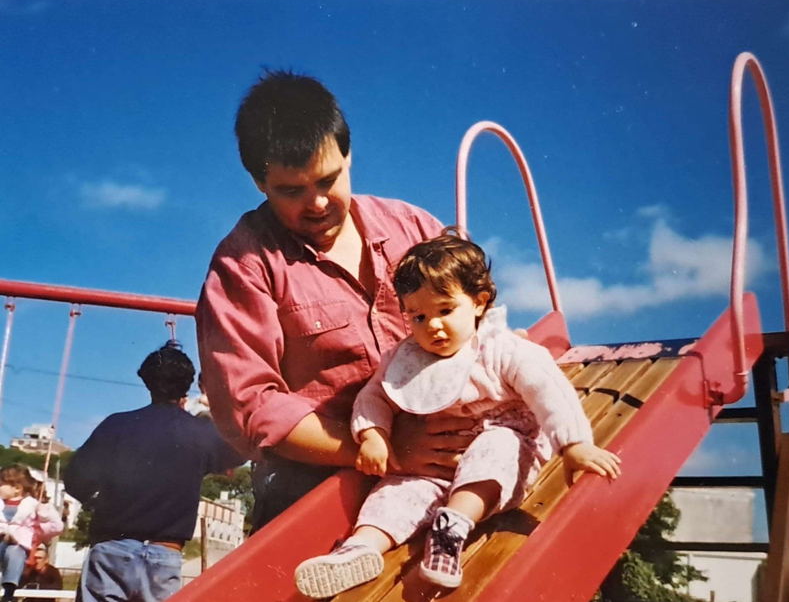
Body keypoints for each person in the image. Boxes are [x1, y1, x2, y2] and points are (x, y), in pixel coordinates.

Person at [197, 70, 472, 531]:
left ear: (349, 155)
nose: (317, 204)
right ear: (258, 181)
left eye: (328, 180)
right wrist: (385, 450)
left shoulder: (417, 227)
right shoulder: (241, 264)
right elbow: (252, 406)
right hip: (316, 492)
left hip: (446, 472)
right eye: (291, 190)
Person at [293, 232, 621, 597]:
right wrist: (373, 434)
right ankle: (362, 547)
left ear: (479, 303)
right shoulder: (405, 359)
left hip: (501, 459)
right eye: (417, 315)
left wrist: (573, 444)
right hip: (433, 468)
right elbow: (374, 396)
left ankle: (450, 531)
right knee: (397, 492)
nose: (432, 325)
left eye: (445, 310)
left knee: (497, 445)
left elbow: (549, 390)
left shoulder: (502, 349)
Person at [63, 341, 243, 602]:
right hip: (164, 554)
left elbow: (75, 482)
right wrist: (210, 409)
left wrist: (100, 503)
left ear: (146, 381)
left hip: (112, 548)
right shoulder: (201, 433)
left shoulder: (117, 425)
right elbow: (240, 452)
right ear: (188, 384)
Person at [0, 466, 63, 602]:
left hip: (17, 544)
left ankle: (9, 588)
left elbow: (56, 527)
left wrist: (44, 515)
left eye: (1, 485)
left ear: (16, 488)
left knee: (14, 552)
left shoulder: (33, 506)